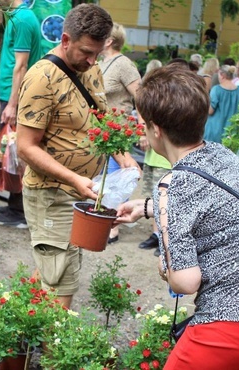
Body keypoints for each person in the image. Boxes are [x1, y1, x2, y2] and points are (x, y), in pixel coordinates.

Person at [116, 64, 239, 369]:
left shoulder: (172, 185)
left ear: (156, 129)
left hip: (235, 326)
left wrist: (166, 263)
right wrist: (149, 207)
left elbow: (186, 281)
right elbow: (215, 203)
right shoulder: (222, 155)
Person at [16, 3, 137, 309]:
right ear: (66, 40)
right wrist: (74, 178)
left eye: (97, 52)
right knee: (62, 279)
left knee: (51, 270)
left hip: (82, 192)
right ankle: (55, 354)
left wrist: (124, 157)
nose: (92, 60)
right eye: (86, 51)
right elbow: (26, 147)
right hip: (51, 194)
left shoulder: (92, 69)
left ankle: (15, 327)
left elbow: (103, 122)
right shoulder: (41, 77)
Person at [0, 0, 42, 228]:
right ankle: (14, 204)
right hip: (11, 93)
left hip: (17, 96)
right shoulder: (15, 16)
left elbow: (22, 66)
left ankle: (21, 211)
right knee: (10, 151)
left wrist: (13, 104)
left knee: (18, 153)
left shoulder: (21, 19)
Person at [98, 22, 142, 243]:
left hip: (119, 131)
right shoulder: (101, 62)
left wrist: (143, 130)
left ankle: (112, 226)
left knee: (115, 177)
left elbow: (141, 96)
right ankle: (102, 218)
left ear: (109, 40)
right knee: (103, 178)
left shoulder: (124, 64)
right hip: (102, 130)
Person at [138, 61, 171, 253]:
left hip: (163, 160)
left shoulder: (167, 103)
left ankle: (164, 238)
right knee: (153, 196)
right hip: (151, 157)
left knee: (163, 199)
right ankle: (156, 234)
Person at [203, 65, 239, 143]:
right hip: (232, 133)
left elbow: (210, 111)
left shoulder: (216, 89)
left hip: (214, 132)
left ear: (222, 75)